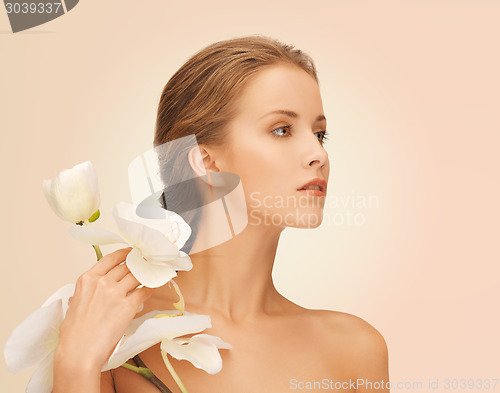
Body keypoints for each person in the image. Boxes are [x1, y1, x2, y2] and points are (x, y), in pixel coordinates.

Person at [53, 35, 389, 393]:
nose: (317, 155)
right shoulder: (110, 326)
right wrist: (75, 363)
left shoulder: (355, 349)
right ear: (206, 161)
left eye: (320, 134)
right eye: (282, 129)